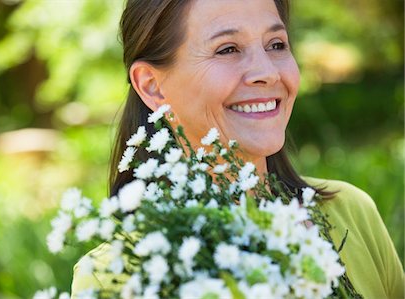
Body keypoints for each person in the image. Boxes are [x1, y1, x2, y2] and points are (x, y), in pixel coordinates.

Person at [71, 0, 404, 298]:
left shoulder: (351, 213)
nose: (267, 72)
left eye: (276, 44)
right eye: (227, 49)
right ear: (152, 86)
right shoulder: (116, 276)